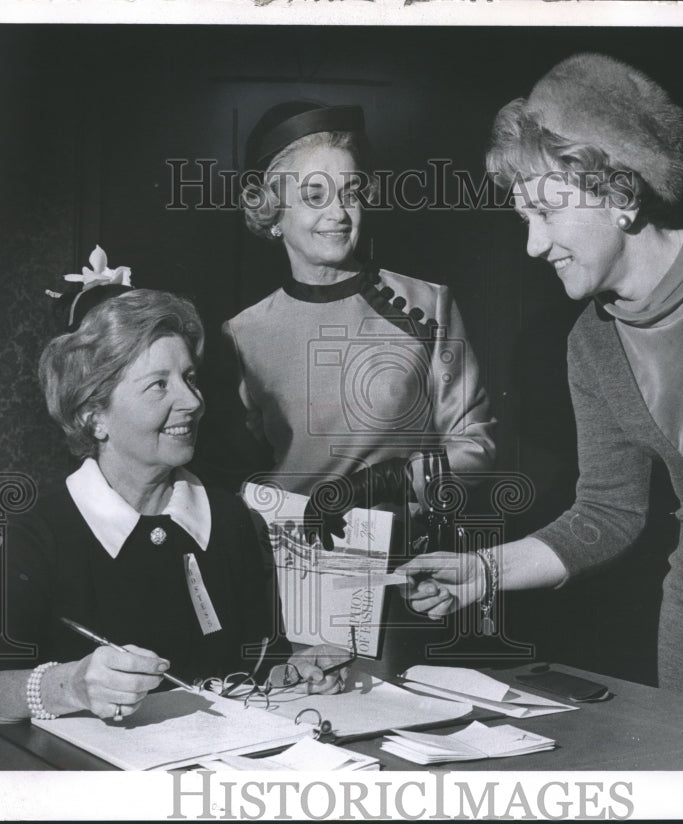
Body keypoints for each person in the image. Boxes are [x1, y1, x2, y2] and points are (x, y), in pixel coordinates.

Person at [400, 53, 683, 691]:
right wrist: (485, 571)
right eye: (524, 218)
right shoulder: (591, 341)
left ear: (619, 193)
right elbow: (607, 512)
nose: (532, 245)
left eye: (547, 213)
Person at [0, 270, 350, 724]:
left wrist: (293, 671)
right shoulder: (42, 532)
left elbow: (259, 663)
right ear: (95, 416)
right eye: (159, 385)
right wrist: (70, 684)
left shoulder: (230, 518)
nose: (192, 402)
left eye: (190, 378)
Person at [211, 102, 497, 549]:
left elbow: (476, 448)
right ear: (272, 211)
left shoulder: (426, 304)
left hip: (409, 568)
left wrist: (389, 481)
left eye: (349, 192)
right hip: (292, 569)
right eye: (314, 196)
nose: (339, 213)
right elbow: (234, 481)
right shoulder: (242, 334)